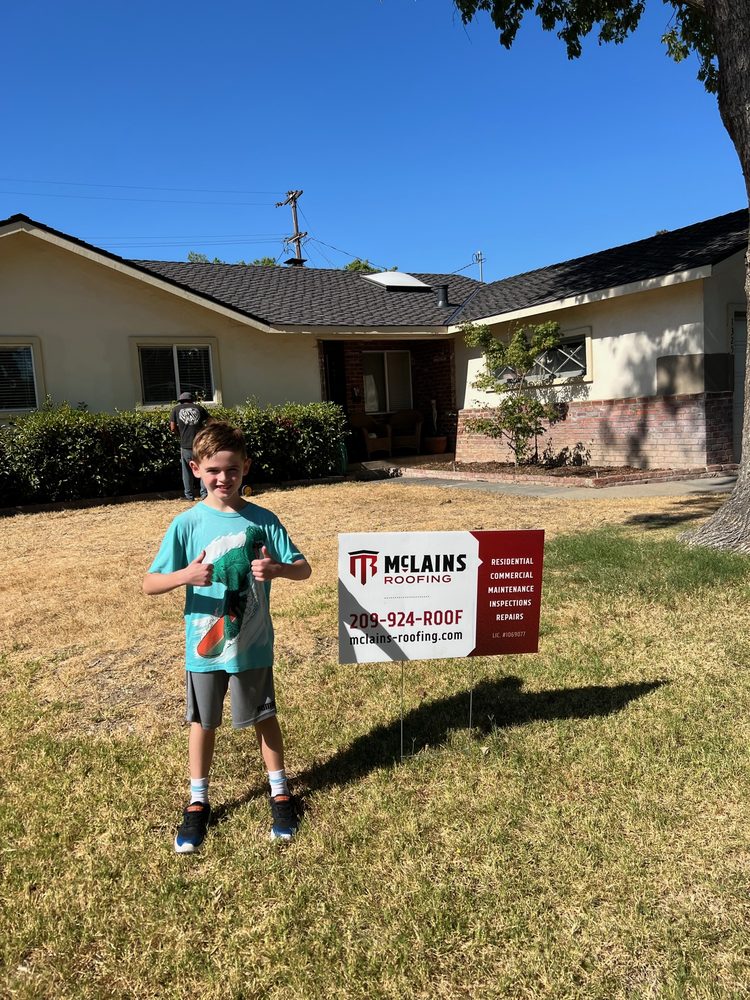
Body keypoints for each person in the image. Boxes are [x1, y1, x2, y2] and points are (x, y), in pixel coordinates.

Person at [143, 421, 312, 853]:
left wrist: (277, 569)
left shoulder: (264, 520)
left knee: (264, 716)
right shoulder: (186, 524)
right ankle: (198, 801)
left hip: (253, 644)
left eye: (233, 470)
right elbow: (150, 583)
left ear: (246, 468)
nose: (224, 478)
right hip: (203, 649)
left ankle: (279, 792)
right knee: (202, 722)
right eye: (214, 470)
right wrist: (186, 575)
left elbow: (303, 568)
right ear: (195, 468)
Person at [170, 391, 210, 501]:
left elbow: (172, 428)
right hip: (199, 444)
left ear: (181, 401)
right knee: (203, 468)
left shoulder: (176, 409)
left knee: (187, 471)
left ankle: (189, 496)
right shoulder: (199, 408)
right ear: (192, 400)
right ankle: (205, 494)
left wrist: (180, 435)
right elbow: (211, 422)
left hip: (185, 445)